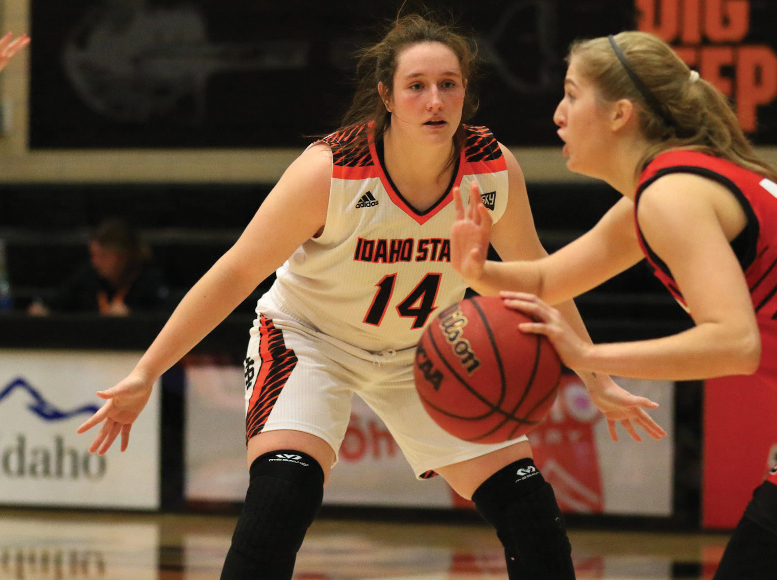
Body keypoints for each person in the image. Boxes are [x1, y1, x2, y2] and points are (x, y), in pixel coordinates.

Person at [76, 15, 664, 580]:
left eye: (448, 85)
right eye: (416, 86)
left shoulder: (491, 169)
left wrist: (597, 379)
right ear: (386, 95)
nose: (435, 100)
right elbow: (234, 274)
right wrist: (147, 371)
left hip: (426, 353)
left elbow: (542, 277)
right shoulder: (329, 171)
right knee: (285, 489)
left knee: (528, 508)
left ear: (466, 94)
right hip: (312, 340)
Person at [451, 30, 777, 580]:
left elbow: (734, 343)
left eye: (573, 95)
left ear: (621, 113)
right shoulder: (667, 189)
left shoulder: (671, 197)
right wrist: (476, 269)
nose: (558, 113)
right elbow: (547, 277)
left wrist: (588, 353)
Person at [28, 218, 169, 316]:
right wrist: (44, 311)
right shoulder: (88, 275)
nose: (95, 262)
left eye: (103, 256)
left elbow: (165, 314)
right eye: (93, 255)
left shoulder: (148, 278)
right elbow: (58, 304)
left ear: (123, 256)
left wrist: (133, 317)